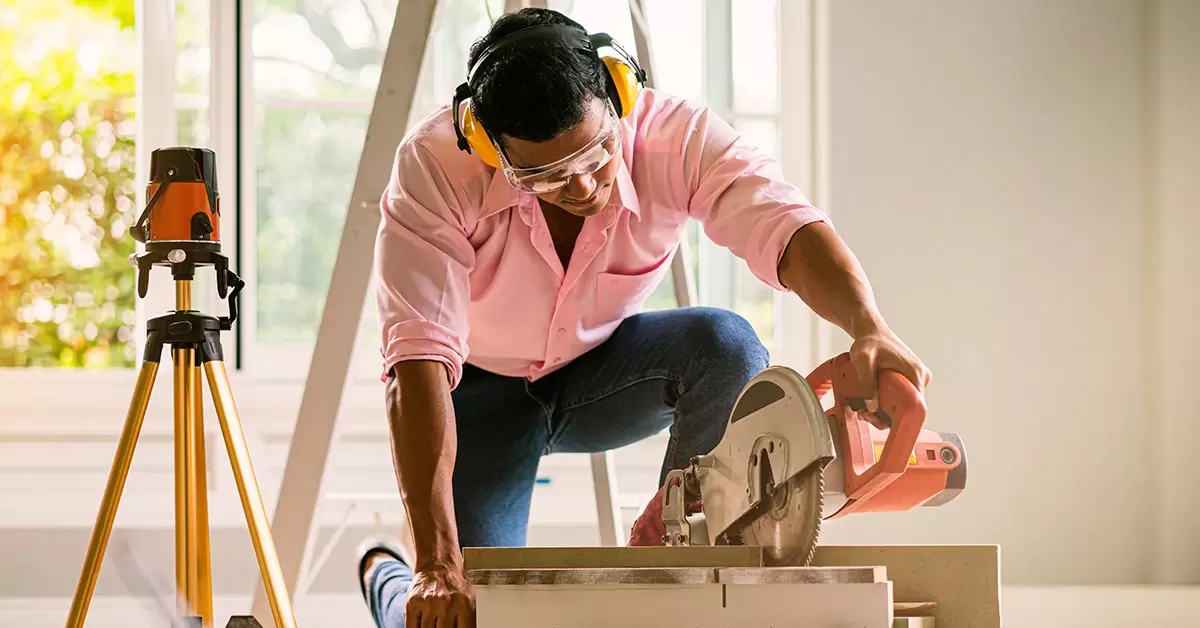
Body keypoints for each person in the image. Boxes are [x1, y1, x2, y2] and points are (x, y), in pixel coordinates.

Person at [358, 8, 930, 628]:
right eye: (544, 176)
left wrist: (867, 325)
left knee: (726, 344)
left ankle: (678, 559)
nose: (580, 185)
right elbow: (417, 358)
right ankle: (384, 576)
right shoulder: (436, 166)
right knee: (465, 613)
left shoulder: (673, 136)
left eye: (597, 151)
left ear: (618, 94)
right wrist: (436, 565)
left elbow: (783, 224)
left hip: (600, 374)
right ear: (490, 147)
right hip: (476, 392)